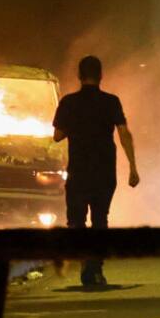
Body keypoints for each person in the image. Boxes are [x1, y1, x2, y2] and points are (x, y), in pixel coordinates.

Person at [52, 55, 140, 286]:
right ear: (101, 76)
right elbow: (124, 134)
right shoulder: (111, 102)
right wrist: (133, 167)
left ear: (79, 76)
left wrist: (75, 126)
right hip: (104, 172)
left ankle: (85, 264)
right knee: (100, 220)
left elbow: (57, 136)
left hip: (79, 171)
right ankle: (96, 268)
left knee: (77, 221)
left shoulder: (69, 102)